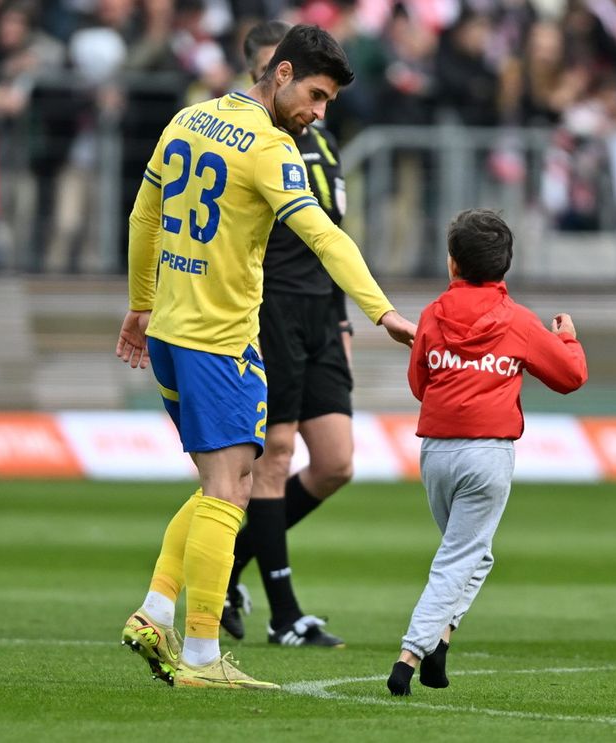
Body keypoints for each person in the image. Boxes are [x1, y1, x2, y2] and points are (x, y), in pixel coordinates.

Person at [115, 24, 416, 691]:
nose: (319, 111)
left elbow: (145, 214)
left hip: (167, 328)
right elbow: (323, 237)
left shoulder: (189, 118)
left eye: (329, 102)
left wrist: (140, 304)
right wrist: (383, 311)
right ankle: (199, 656)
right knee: (230, 490)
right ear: (279, 74)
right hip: (219, 339)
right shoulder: (272, 149)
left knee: (223, 484)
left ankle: (154, 611)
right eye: (315, 94)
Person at [386, 209, 588, 696]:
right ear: (505, 267)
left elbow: (419, 384)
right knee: (459, 560)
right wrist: (567, 336)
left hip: (435, 451)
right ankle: (409, 657)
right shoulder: (517, 321)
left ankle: (440, 646)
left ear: (452, 263)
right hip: (488, 453)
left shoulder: (433, 314)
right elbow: (570, 377)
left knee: (472, 557)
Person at [219, 20, 349, 649]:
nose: (314, 108)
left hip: (325, 313)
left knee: (335, 463)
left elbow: (335, 228)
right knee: (273, 459)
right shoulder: (252, 140)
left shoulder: (318, 138)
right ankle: (284, 614)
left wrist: (346, 315)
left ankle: (227, 569)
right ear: (266, 73)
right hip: (274, 309)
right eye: (310, 91)